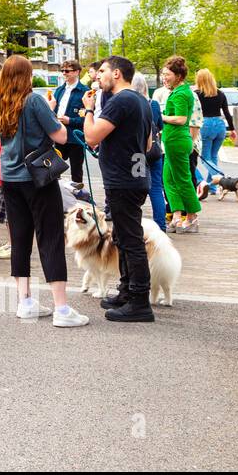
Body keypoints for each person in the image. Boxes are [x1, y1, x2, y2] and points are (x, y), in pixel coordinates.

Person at [0, 54, 88, 328]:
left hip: (10, 177)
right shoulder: (33, 100)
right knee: (51, 237)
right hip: (37, 177)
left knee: (20, 238)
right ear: (26, 75)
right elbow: (60, 135)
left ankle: (25, 301)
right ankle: (61, 308)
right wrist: (53, 117)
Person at [82, 55, 155, 323]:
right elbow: (147, 144)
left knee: (131, 240)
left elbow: (91, 136)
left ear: (116, 74)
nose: (97, 76)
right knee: (124, 238)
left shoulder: (120, 101)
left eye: (102, 71)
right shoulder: (141, 101)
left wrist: (89, 109)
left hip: (123, 179)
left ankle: (139, 301)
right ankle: (127, 292)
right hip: (136, 176)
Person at [160, 56, 201, 233]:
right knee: (168, 179)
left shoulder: (182, 93)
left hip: (177, 140)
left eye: (167, 74)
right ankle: (177, 215)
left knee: (182, 179)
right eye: (163, 74)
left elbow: (181, 119)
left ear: (178, 75)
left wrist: (159, 116)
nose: (164, 77)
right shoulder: (177, 92)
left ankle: (191, 217)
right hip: (171, 141)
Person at [132, 72, 168, 227]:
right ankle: (161, 226)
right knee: (156, 189)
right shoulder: (153, 104)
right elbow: (160, 125)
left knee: (135, 189)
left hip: (137, 154)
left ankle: (133, 223)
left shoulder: (130, 104)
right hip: (154, 152)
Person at [194, 69, 234, 188]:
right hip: (220, 125)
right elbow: (226, 112)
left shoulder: (197, 94)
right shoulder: (220, 93)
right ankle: (212, 187)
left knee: (205, 158)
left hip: (205, 124)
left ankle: (220, 177)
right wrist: (232, 129)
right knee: (214, 156)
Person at [51, 60, 88, 188]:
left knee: (76, 171)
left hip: (75, 137)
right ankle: (58, 196)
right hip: (58, 134)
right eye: (62, 71)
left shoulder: (85, 92)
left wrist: (70, 120)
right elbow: (53, 110)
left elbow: (87, 119)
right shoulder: (59, 90)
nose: (64, 73)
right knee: (55, 170)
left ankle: (78, 197)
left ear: (77, 72)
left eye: (67, 71)